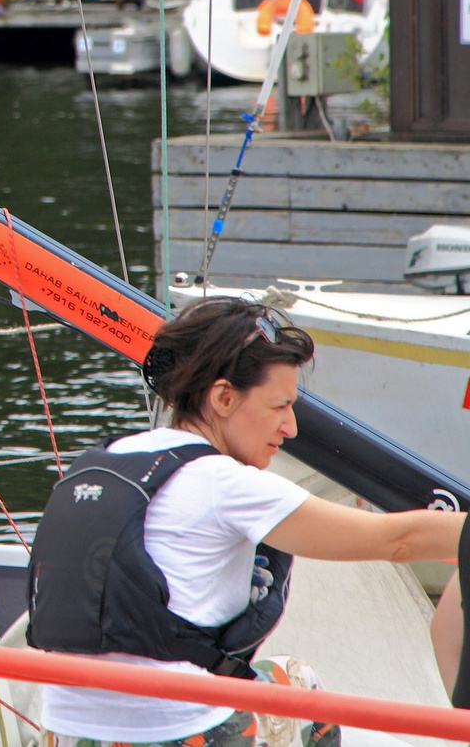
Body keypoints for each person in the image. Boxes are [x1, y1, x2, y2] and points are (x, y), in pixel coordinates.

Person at [28, 296, 470, 747]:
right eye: (280, 406)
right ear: (223, 398)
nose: (291, 427)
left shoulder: (105, 457)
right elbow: (397, 541)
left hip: (65, 732)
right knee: (299, 681)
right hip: (175, 732)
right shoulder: (225, 482)